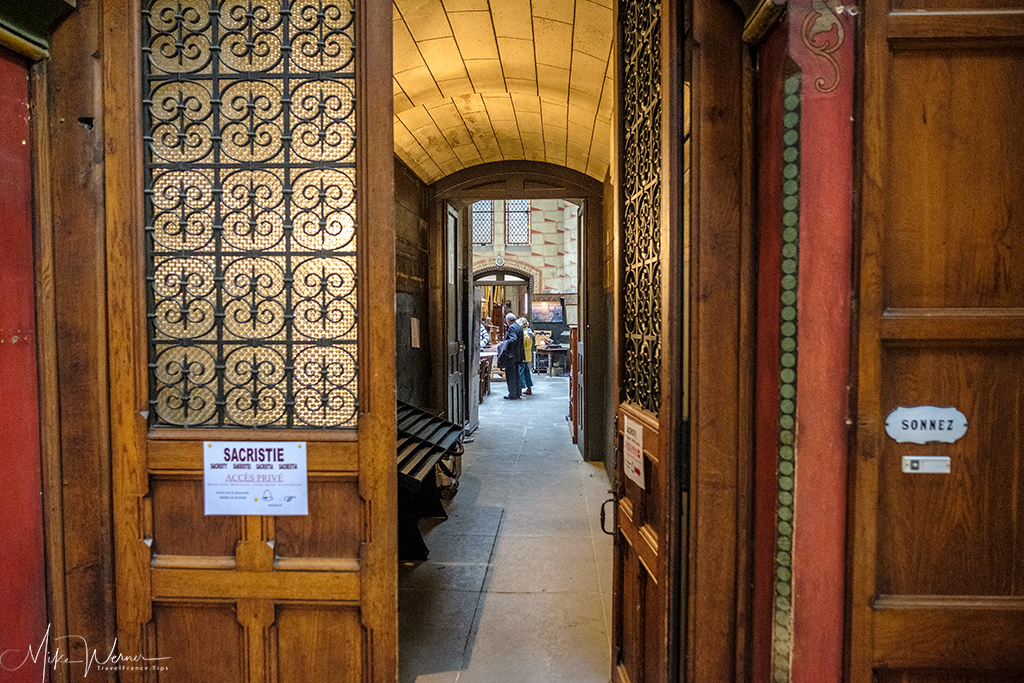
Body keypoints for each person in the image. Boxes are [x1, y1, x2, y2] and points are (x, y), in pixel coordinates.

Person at [499, 312, 525, 399]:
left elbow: (513, 339)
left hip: (511, 356)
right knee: (516, 375)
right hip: (518, 355)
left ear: (508, 320)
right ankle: (517, 393)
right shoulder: (518, 327)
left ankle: (512, 394)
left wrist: (504, 344)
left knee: (511, 376)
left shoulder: (512, 328)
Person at [517, 317, 535, 396]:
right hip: (527, 355)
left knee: (520, 372)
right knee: (527, 372)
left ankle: (520, 389)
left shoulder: (524, 334)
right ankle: (529, 388)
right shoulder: (529, 332)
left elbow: (521, 345)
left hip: (522, 356)